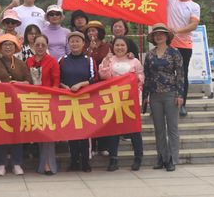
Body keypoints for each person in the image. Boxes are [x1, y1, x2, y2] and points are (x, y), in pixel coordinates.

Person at [0, 34, 32, 176]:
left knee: (17, 133)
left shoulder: (21, 63)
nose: (8, 47)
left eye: (11, 45)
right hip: (0, 103)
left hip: (17, 103)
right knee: (1, 133)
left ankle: (17, 163)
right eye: (5, 45)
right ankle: (1, 164)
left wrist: (19, 84)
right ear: (0, 48)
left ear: (15, 47)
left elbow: (29, 82)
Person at [99, 35, 145, 172]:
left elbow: (141, 77)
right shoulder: (109, 60)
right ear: (113, 47)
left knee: (134, 129)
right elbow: (104, 76)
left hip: (131, 99)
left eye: (122, 45)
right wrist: (106, 62)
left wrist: (135, 77)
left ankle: (138, 158)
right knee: (114, 130)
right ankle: (113, 159)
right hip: (114, 99)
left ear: (127, 47)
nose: (120, 48)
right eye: (117, 45)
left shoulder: (134, 61)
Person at [144, 23, 184, 172]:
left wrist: (180, 94)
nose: (159, 36)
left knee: (172, 128)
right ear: (153, 37)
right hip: (155, 95)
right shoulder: (150, 54)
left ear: (167, 36)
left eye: (161, 33)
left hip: (171, 94)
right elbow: (147, 76)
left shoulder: (174, 52)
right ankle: (161, 156)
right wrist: (145, 96)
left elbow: (180, 75)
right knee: (159, 128)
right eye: (156, 34)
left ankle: (172, 158)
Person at [59, 31, 96, 172]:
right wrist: (64, 86)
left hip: (85, 100)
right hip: (68, 100)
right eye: (72, 41)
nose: (74, 44)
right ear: (68, 44)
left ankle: (85, 162)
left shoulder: (89, 60)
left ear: (83, 43)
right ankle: (74, 161)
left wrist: (81, 85)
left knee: (85, 132)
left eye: (77, 41)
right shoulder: (63, 60)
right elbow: (57, 78)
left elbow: (94, 78)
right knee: (71, 131)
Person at [26, 34, 60, 175]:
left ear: (47, 46)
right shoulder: (28, 61)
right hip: (31, 101)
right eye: (37, 45)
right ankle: (41, 163)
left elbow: (56, 82)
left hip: (47, 101)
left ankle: (48, 165)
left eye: (43, 45)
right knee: (39, 134)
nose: (40, 47)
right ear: (33, 46)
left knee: (47, 134)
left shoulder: (52, 61)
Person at [167, 0, 200, 117]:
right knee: (167, 74)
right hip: (168, 45)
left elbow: (194, 25)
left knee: (182, 74)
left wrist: (176, 31)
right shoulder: (170, 0)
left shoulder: (194, 6)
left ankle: (182, 104)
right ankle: (167, 104)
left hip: (184, 45)